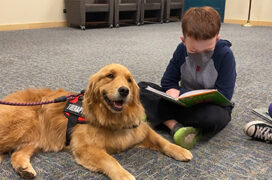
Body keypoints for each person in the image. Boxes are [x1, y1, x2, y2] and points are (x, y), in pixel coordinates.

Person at [139, 6, 236, 149]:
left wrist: (181, 93)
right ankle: (175, 127)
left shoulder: (225, 55)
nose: (201, 56)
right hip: (181, 103)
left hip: (211, 107)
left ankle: (159, 118)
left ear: (217, 38)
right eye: (194, 50)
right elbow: (167, 80)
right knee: (140, 88)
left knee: (213, 118)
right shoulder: (181, 50)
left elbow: (225, 95)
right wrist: (172, 90)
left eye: (208, 50)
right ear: (184, 40)